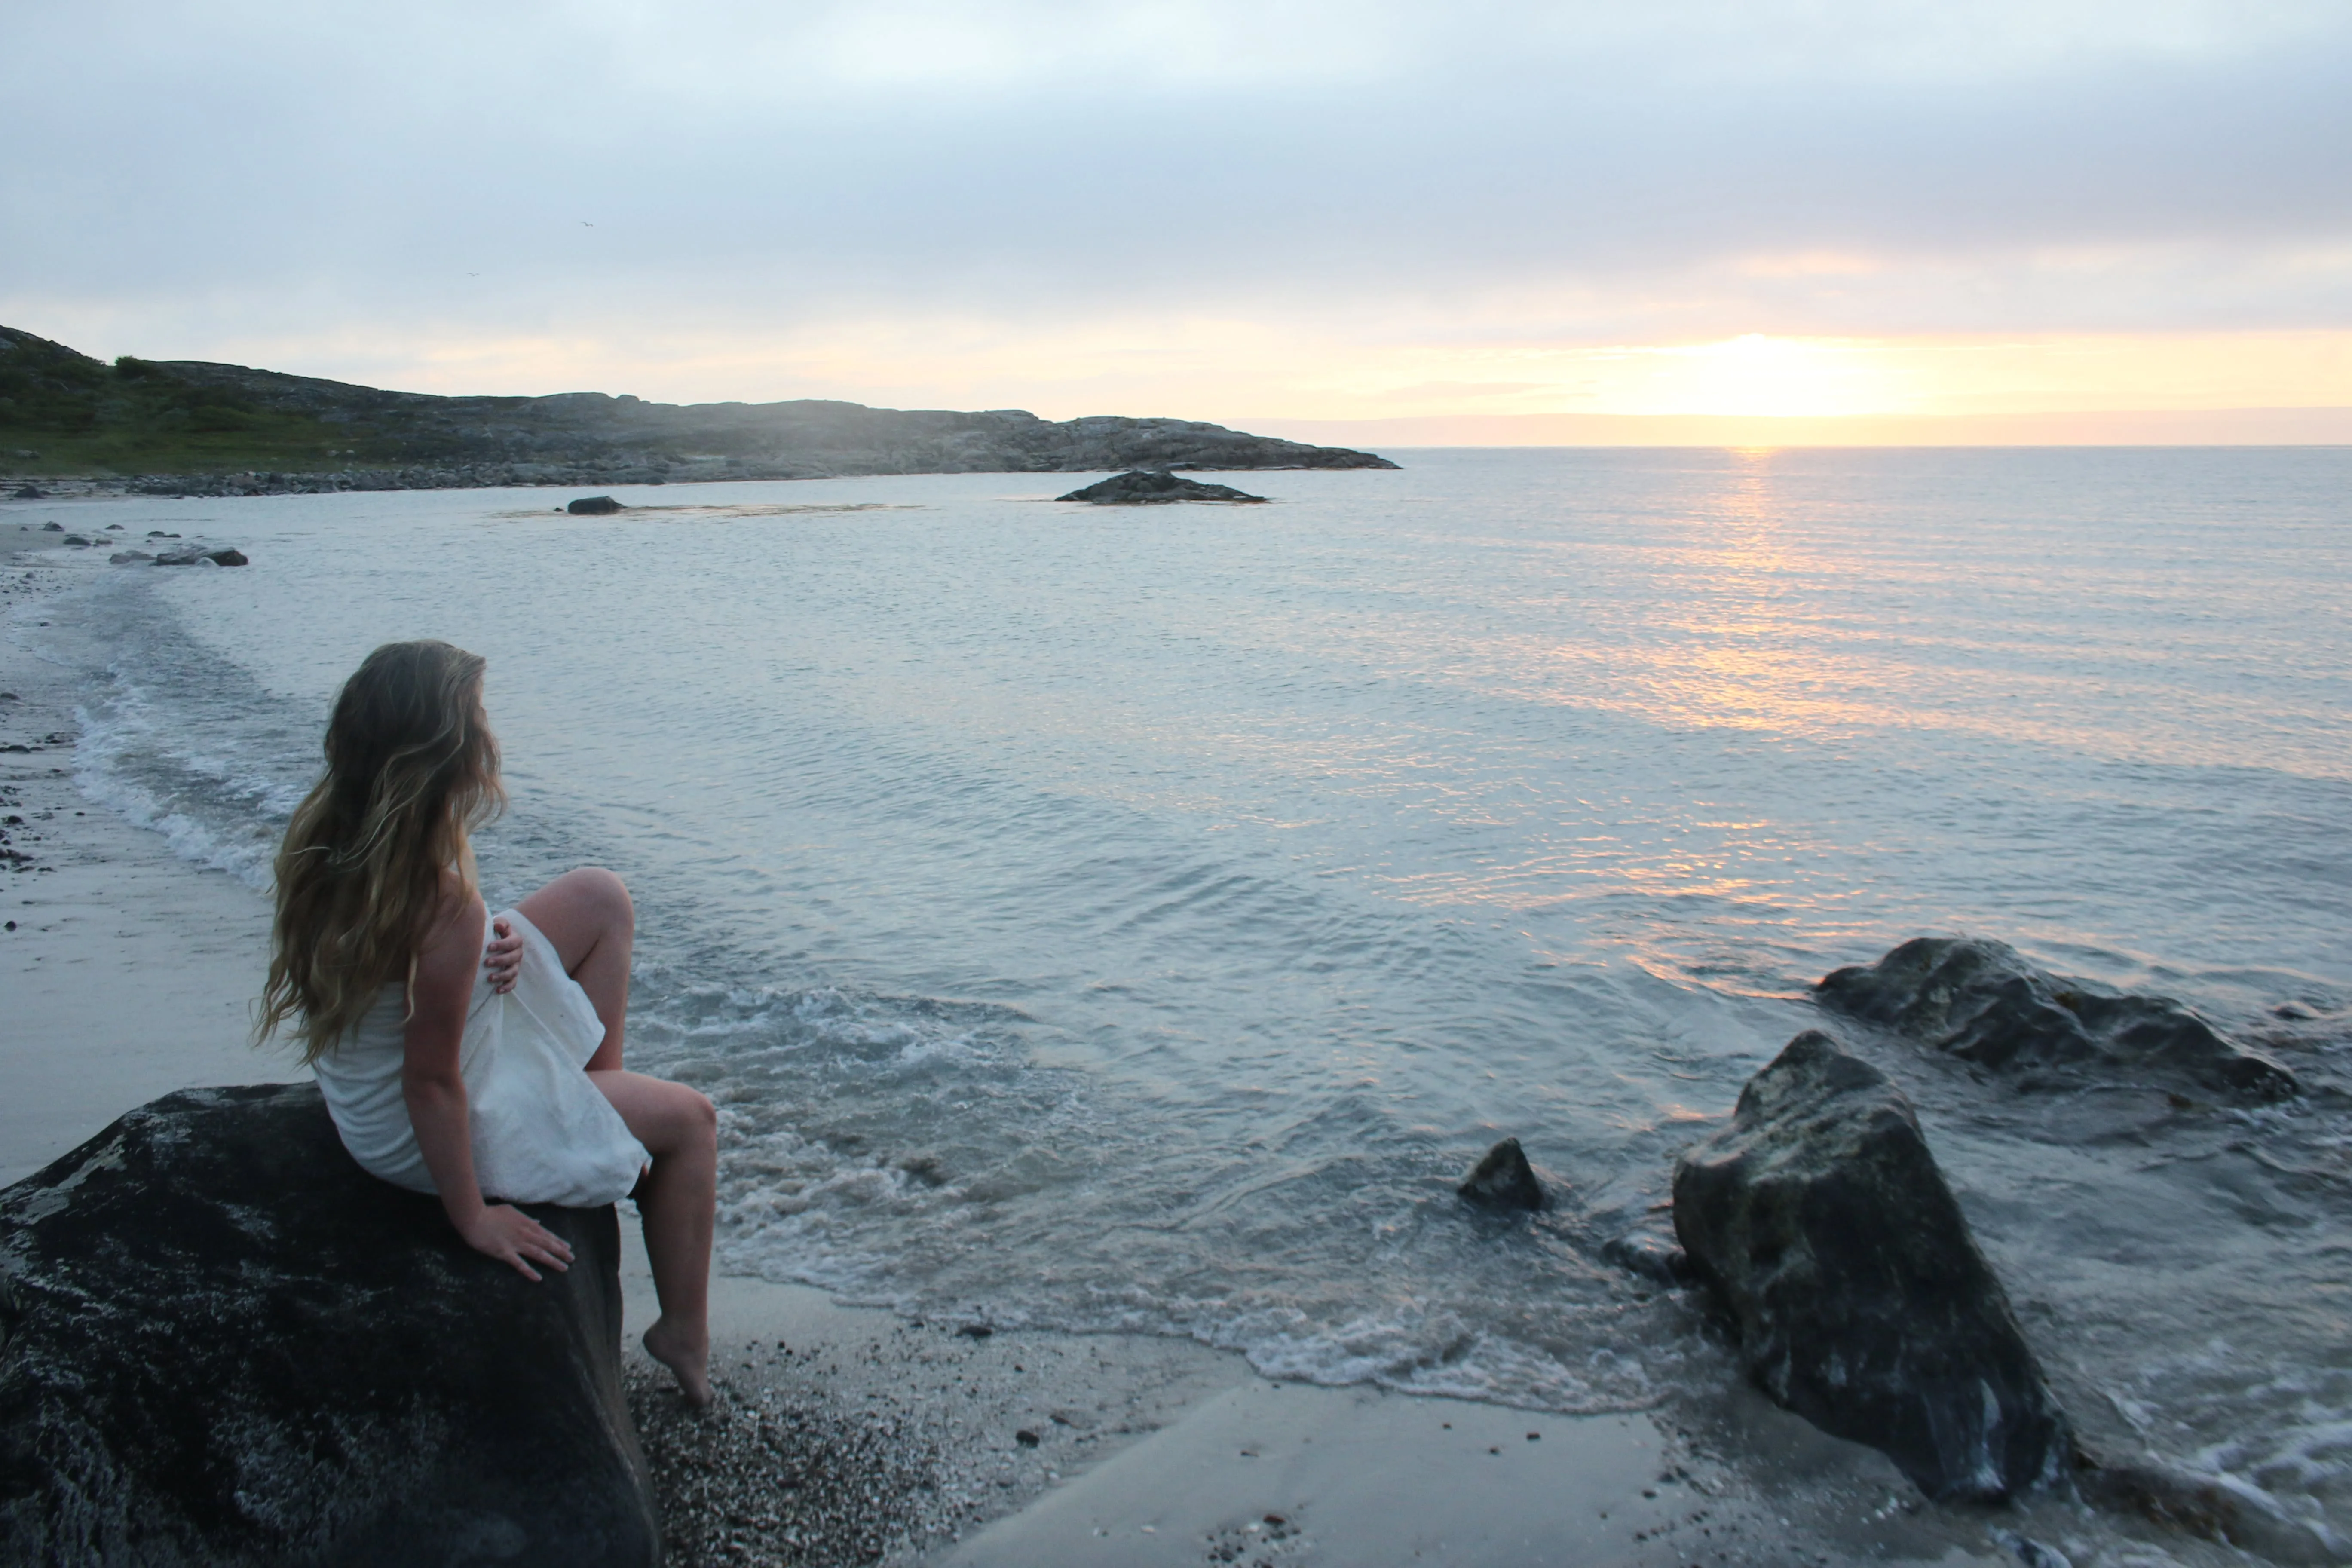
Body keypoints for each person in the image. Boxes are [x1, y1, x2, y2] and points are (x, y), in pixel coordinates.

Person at [257, 639, 717, 1405]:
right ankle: (684, 1332)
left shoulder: (326, 833)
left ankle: (597, 1102)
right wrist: (472, 1216)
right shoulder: (441, 905)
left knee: (601, 896)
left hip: (398, 1071)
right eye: (477, 717)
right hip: (417, 1124)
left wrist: (481, 957)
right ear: (450, 753)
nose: (491, 733)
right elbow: (432, 1081)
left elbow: (400, 978)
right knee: (694, 1121)